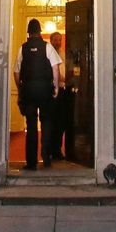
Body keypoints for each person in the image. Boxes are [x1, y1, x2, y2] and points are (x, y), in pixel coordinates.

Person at [13, 18, 61, 170]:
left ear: (29, 32)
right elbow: (55, 68)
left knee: (31, 126)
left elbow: (16, 72)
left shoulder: (23, 48)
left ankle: (31, 162)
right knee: (46, 124)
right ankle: (46, 158)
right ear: (40, 32)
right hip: (45, 91)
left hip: (28, 91)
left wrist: (20, 88)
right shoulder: (47, 47)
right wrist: (55, 87)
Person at [49, 30, 73, 161]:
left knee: (62, 121)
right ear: (51, 41)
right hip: (52, 91)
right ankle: (50, 151)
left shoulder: (64, 54)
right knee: (52, 122)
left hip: (63, 91)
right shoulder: (47, 54)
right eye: (55, 39)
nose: (58, 42)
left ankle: (57, 150)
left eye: (59, 39)